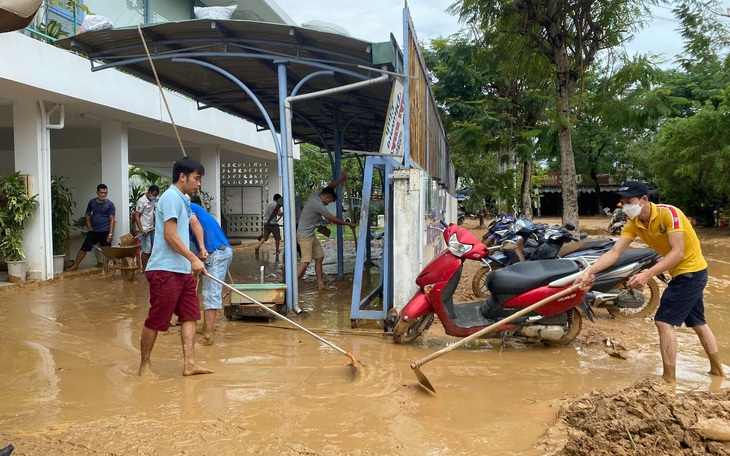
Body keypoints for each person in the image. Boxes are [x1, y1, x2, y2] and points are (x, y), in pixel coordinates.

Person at [575, 181, 725, 384]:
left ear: (644, 200)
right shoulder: (633, 224)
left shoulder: (669, 214)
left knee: (664, 321)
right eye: (622, 202)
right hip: (683, 273)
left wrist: (646, 275)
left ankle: (669, 379)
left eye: (629, 201)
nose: (625, 206)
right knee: (698, 323)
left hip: (691, 271)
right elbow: (614, 252)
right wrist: (588, 272)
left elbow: (678, 253)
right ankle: (718, 373)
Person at [139, 156, 213, 378]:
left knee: (190, 315)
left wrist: (196, 256)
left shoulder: (184, 199)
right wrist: (193, 258)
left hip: (182, 271)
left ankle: (189, 364)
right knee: (157, 318)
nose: (199, 184)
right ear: (183, 177)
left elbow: (191, 224)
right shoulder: (171, 197)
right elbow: (169, 235)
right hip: (164, 270)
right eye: (197, 178)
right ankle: (144, 366)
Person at [296, 175, 357, 291]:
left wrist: (341, 180)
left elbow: (330, 186)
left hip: (310, 234)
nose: (328, 204)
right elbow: (332, 219)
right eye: (329, 201)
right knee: (305, 262)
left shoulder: (315, 195)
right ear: (326, 197)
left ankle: (321, 284)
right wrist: (349, 224)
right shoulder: (317, 204)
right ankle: (290, 286)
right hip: (304, 236)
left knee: (319, 257)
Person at [189, 193, 233, 346]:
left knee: (211, 292)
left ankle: (208, 334)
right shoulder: (198, 210)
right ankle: (206, 327)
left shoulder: (187, 207)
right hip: (217, 252)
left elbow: (195, 223)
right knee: (208, 290)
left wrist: (201, 250)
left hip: (217, 254)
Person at [67, 184, 116, 271]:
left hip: (105, 231)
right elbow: (87, 214)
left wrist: (110, 234)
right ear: (97, 192)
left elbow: (112, 219)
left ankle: (108, 269)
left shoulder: (110, 204)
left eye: (105, 193)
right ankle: (75, 265)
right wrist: (89, 227)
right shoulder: (92, 202)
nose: (104, 195)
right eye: (102, 193)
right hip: (94, 231)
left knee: (107, 251)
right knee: (84, 248)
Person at [132, 185, 160, 271]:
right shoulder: (141, 201)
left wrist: (157, 223)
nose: (154, 197)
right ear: (149, 192)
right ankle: (144, 270)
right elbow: (136, 216)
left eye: (156, 196)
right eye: (153, 195)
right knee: (146, 249)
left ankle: (151, 268)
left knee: (152, 249)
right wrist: (141, 229)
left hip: (151, 228)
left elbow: (151, 214)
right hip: (143, 229)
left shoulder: (152, 201)